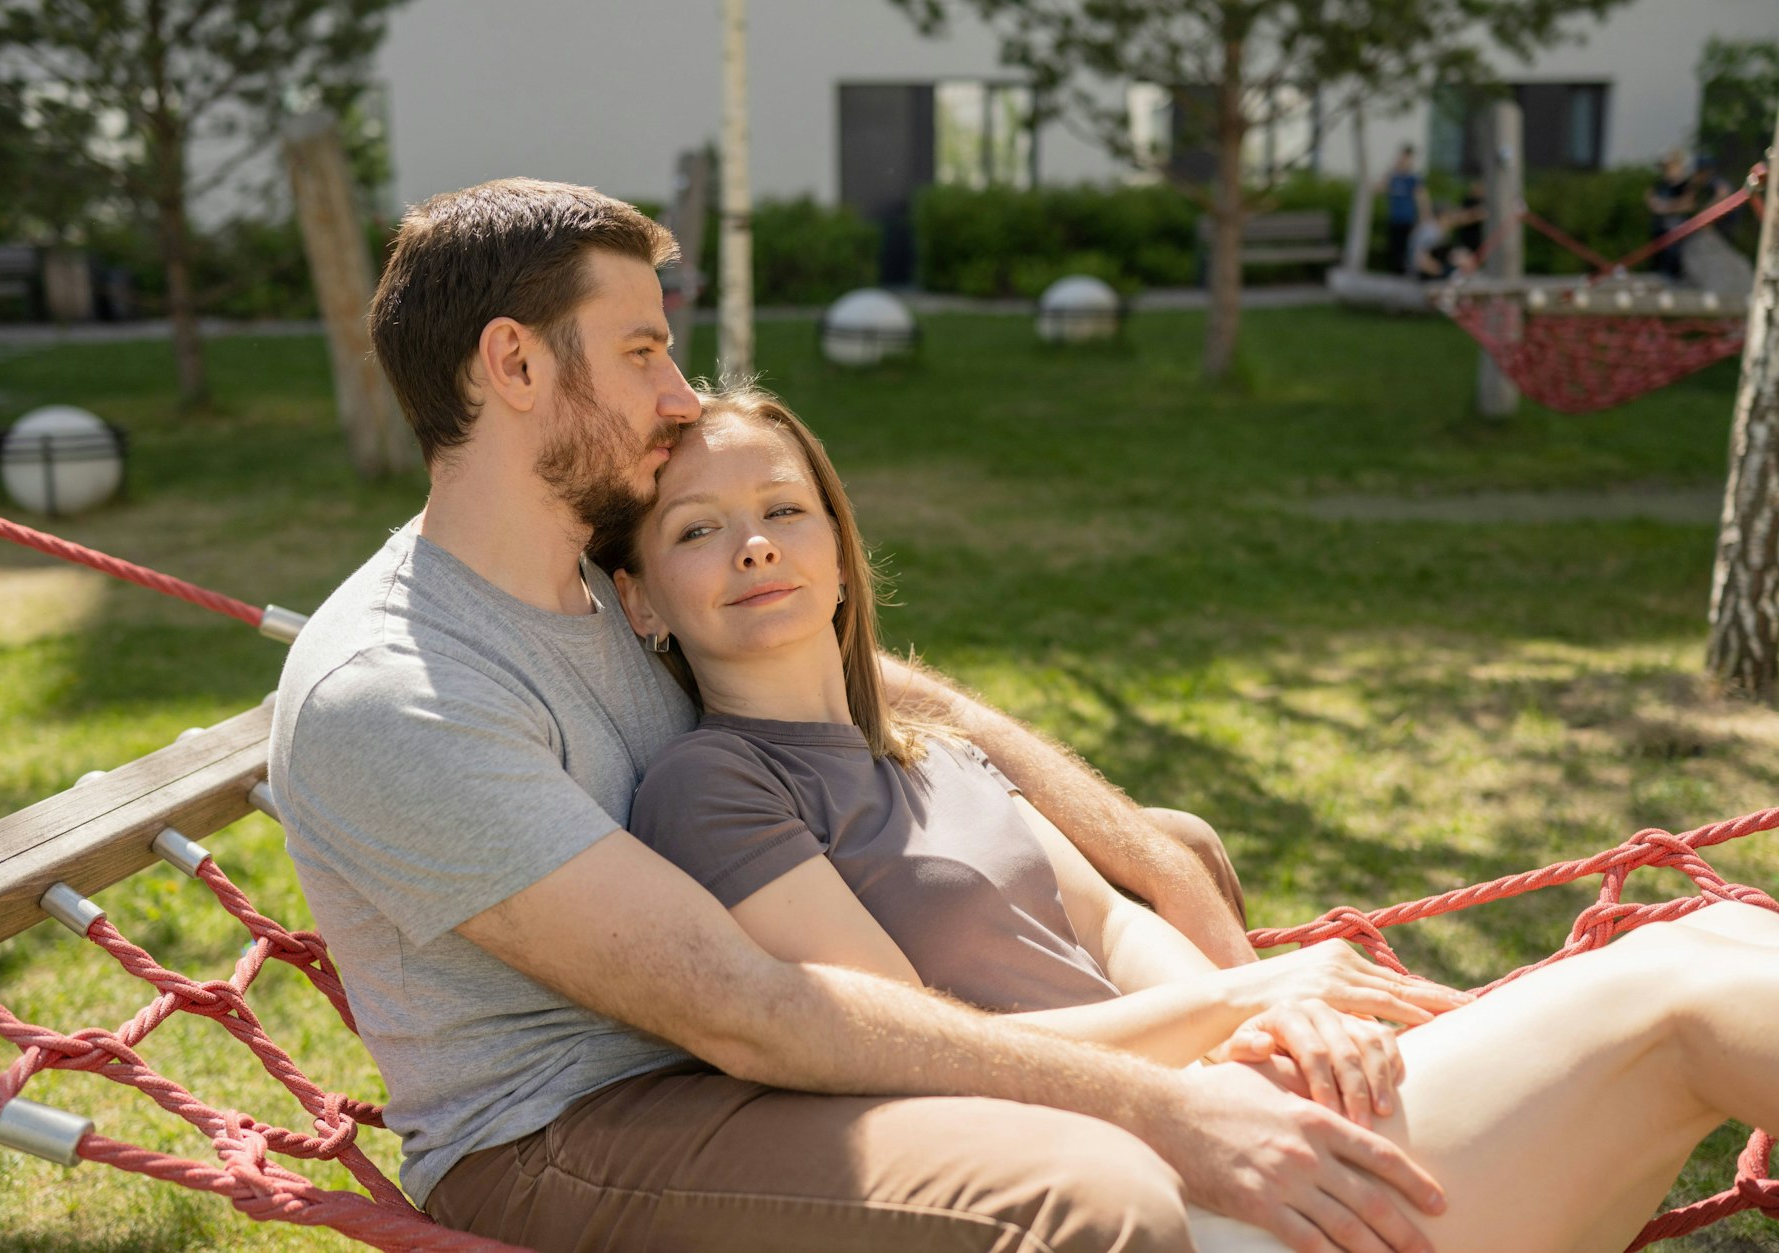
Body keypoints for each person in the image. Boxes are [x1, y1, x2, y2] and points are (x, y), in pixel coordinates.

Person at [270, 177, 1453, 1253]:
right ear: (514, 365)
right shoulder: (399, 690)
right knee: (1086, 1195)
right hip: (569, 1127)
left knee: (1174, 858)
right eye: (641, 352)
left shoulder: (591, 575)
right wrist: (1171, 1092)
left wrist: (1151, 853)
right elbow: (750, 1009)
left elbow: (874, 676)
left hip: (731, 1060)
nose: (678, 398)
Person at [601, 384, 1779, 1253]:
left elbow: (1113, 929)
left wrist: (1256, 1035)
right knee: (1670, 983)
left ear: (841, 554)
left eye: (780, 508)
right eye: (695, 529)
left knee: (1705, 944)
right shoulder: (714, 784)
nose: (751, 541)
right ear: (642, 599)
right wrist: (1242, 998)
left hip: (1235, 1116)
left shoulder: (930, 750)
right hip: (1165, 1198)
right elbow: (904, 1054)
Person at [1645, 149, 1697, 282]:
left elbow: (1688, 203)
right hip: (1660, 230)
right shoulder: (1660, 185)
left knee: (1674, 259)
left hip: (1678, 232)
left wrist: (1666, 206)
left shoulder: (1686, 185)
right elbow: (1651, 201)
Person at [1378, 146, 1429, 276]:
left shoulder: (1413, 178)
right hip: (1394, 218)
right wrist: (1390, 170)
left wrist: (1424, 216)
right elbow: (1380, 188)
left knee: (1405, 250)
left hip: (1407, 219)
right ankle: (1393, 275)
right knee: (1393, 249)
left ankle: (1404, 275)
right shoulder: (1393, 176)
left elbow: (1421, 197)